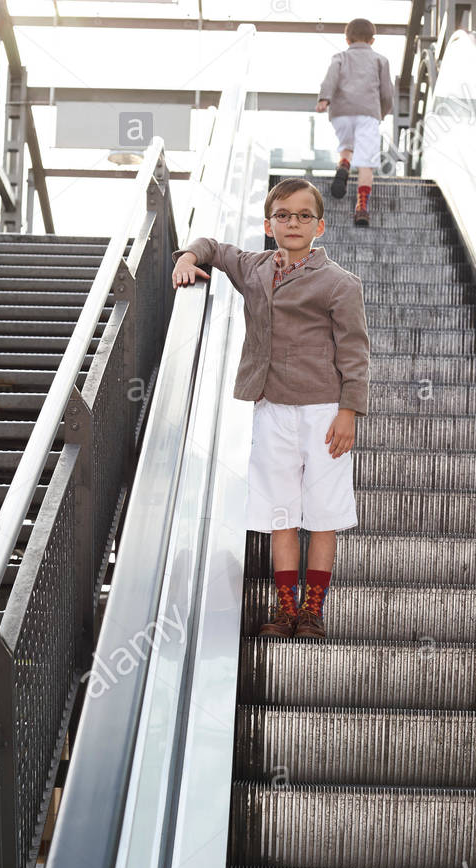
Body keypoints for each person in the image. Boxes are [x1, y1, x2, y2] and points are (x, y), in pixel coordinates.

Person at [171, 177, 370, 639]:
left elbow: (355, 352)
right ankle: (285, 612)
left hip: (324, 413)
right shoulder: (255, 268)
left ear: (320, 225)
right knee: (281, 514)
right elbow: (215, 249)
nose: (293, 222)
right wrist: (187, 256)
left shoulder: (340, 284)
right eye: (283, 215)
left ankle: (312, 612)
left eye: (304, 216)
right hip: (272, 410)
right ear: (268, 224)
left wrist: (349, 411)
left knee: (322, 515)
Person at [316, 16, 394, 226]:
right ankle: (361, 207)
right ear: (372, 40)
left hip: (341, 111)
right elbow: (387, 93)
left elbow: (331, 78)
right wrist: (382, 112)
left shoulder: (339, 57)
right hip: (368, 112)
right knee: (366, 162)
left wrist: (325, 99)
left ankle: (344, 163)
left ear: (347, 40)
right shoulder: (380, 60)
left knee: (347, 144)